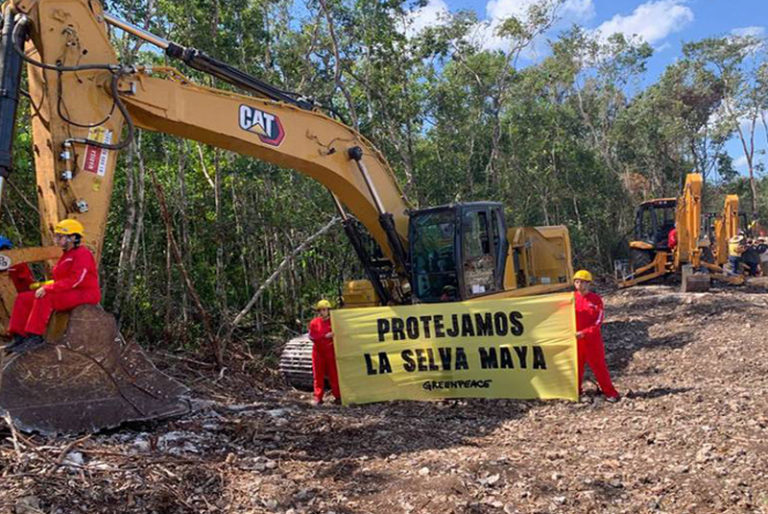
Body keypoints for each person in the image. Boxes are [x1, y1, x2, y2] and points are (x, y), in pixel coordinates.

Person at [6, 219, 101, 354]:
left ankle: (35, 336)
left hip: (84, 293)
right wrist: (45, 285)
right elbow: (60, 279)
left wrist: (47, 288)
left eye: (60, 236)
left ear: (73, 237)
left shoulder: (83, 254)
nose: (56, 239)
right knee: (23, 298)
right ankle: (19, 336)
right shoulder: (66, 255)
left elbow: (76, 280)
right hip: (67, 291)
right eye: (57, 235)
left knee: (46, 296)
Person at [573, 269, 619, 403]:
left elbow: (598, 321)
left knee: (599, 367)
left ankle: (610, 393)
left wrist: (585, 333)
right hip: (575, 340)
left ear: (589, 284)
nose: (580, 285)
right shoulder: (571, 298)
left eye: (583, 282)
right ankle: (576, 392)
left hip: (592, 340)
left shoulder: (596, 299)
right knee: (576, 367)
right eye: (577, 282)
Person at [308, 299, 341, 406]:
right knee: (318, 375)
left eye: (324, 310)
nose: (322, 312)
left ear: (329, 310)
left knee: (334, 375)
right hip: (318, 353)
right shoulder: (314, 322)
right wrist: (325, 336)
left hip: (331, 352)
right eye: (320, 310)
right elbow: (312, 336)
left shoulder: (334, 322)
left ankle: (338, 396)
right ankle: (318, 397)